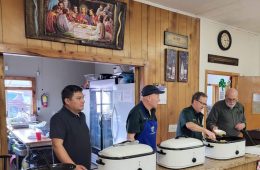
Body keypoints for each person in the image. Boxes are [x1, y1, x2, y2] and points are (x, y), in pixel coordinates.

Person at [50, 85, 91, 170]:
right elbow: (57, 145)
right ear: (67, 101)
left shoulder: (82, 116)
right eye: (79, 98)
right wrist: (73, 167)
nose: (83, 101)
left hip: (84, 166)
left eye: (83, 98)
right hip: (70, 168)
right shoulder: (58, 118)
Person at [126, 85, 164, 150]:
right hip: (141, 155)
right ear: (149, 98)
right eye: (157, 97)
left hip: (151, 152)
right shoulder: (136, 113)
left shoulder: (152, 111)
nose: (159, 100)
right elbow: (130, 138)